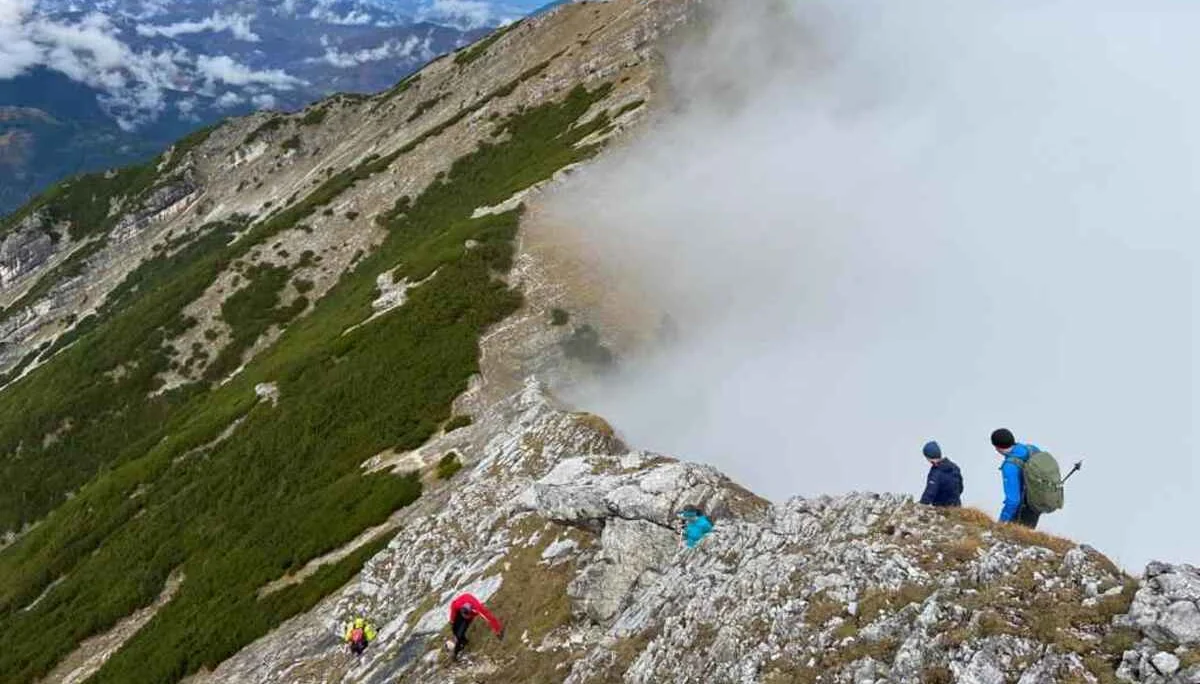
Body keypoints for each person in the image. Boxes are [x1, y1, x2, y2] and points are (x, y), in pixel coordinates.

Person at [991, 428, 1042, 529]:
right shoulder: (1031, 449)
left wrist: (1001, 522)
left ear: (997, 447)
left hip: (1023, 509)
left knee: (1017, 540)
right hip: (1038, 500)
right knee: (1028, 537)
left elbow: (1013, 501)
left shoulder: (1010, 466)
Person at [448, 593, 503, 661]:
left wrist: (497, 630)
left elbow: (489, 617)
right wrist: (452, 620)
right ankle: (462, 642)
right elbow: (453, 607)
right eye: (464, 615)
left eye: (466, 616)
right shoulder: (457, 605)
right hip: (462, 607)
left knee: (462, 629)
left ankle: (456, 651)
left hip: (470, 612)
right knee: (456, 630)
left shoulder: (478, 608)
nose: (465, 617)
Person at [917, 440, 963, 507]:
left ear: (928, 458)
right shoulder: (955, 467)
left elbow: (930, 492)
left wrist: (921, 504)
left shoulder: (936, 473)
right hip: (957, 507)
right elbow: (960, 488)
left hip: (942, 510)